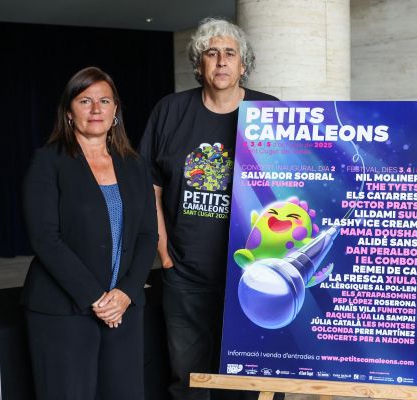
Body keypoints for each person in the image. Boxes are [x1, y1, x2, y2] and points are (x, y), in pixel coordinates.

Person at [138, 17, 278, 400]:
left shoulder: (270, 111)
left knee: (253, 377)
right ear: (198, 64)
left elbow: (294, 186)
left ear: (243, 64)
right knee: (189, 378)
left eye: (229, 54)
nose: (220, 62)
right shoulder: (170, 111)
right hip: (186, 273)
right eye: (211, 54)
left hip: (254, 270)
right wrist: (164, 251)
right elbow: (149, 187)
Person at [22, 66, 157, 400]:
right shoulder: (47, 161)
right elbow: (45, 238)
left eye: (105, 100)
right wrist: (97, 299)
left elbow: (147, 235)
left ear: (116, 112)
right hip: (63, 310)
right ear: (69, 113)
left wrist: (125, 293)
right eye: (85, 101)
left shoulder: (133, 163)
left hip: (124, 308)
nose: (96, 109)